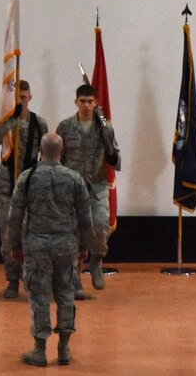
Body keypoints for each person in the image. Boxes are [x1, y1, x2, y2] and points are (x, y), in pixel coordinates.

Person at [7, 133, 93, 367]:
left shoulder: (28, 177)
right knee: (66, 294)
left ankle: (39, 349)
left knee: (39, 296)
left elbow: (15, 215)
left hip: (37, 246)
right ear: (62, 150)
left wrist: (14, 245)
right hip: (66, 245)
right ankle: (64, 348)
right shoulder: (74, 178)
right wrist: (85, 245)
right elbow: (86, 217)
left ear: (40, 151)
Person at [55, 84, 120, 294]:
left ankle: (96, 261)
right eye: (82, 101)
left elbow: (117, 161)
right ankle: (75, 283)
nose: (86, 105)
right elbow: (56, 159)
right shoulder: (65, 127)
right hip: (72, 187)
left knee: (101, 225)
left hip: (96, 185)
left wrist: (112, 156)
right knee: (72, 235)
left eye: (90, 101)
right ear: (76, 102)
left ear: (96, 103)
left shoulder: (105, 128)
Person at [0, 80, 48, 298]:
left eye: (24, 97)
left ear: (30, 98)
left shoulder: (39, 123)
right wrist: (10, 120)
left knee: (31, 236)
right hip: (6, 186)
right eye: (17, 98)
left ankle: (30, 278)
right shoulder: (5, 121)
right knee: (8, 236)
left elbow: (46, 153)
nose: (21, 101)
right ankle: (12, 279)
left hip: (31, 185)